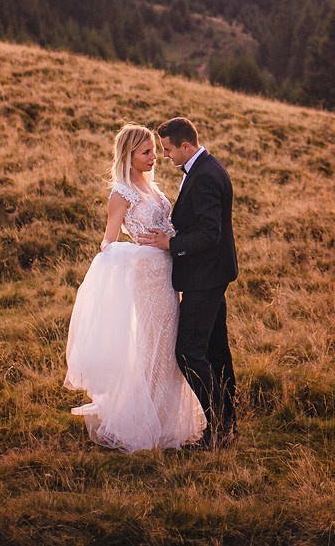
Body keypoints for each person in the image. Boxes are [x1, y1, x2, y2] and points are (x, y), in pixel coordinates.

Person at [63, 124, 205, 451]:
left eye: (155, 150)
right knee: (155, 345)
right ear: (129, 155)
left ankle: (165, 417)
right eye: (146, 152)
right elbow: (108, 242)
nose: (155, 157)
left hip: (167, 273)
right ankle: (147, 421)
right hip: (148, 276)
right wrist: (137, 251)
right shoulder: (121, 193)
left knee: (168, 345)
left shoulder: (150, 186)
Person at [141, 117, 239, 449]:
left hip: (205, 278)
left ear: (186, 145)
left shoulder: (206, 176)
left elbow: (210, 233)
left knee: (188, 353)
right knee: (215, 350)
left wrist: (171, 244)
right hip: (211, 274)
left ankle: (218, 427)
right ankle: (228, 424)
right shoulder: (204, 168)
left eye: (168, 149)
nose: (164, 156)